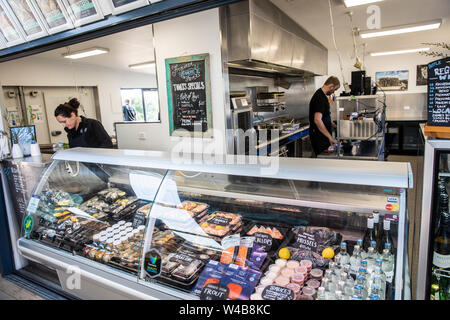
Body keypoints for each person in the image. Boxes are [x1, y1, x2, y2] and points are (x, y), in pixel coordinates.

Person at [309, 76, 340, 157]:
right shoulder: (320, 98)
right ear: (331, 86)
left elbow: (323, 116)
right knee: (322, 160)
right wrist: (330, 137)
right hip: (319, 137)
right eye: (335, 90)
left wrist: (331, 123)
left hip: (322, 135)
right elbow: (317, 120)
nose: (333, 92)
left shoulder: (322, 95)